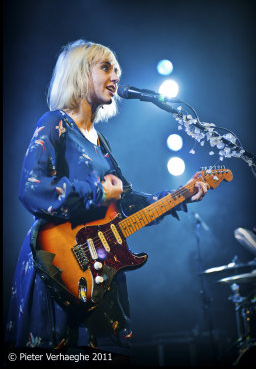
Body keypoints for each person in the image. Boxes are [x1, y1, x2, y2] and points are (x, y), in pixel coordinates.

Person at [5, 39, 209, 361]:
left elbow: (126, 203)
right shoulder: (55, 123)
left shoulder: (99, 142)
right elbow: (32, 189)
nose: (116, 75)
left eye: (117, 69)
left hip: (99, 275)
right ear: (80, 73)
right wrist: (97, 192)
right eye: (106, 67)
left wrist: (180, 195)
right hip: (58, 269)